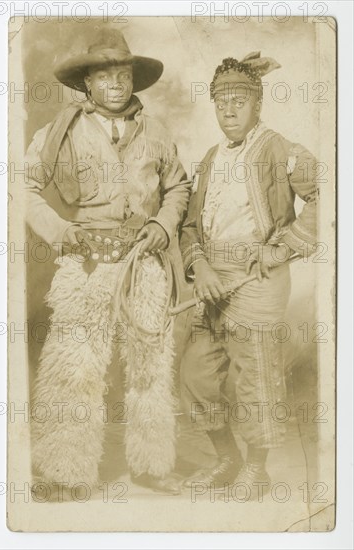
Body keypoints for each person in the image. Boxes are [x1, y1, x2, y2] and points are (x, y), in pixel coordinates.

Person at [26, 28, 191, 496]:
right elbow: (21, 187)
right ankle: (64, 473)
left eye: (123, 73)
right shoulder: (59, 132)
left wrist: (162, 224)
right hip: (86, 266)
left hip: (144, 264)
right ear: (87, 83)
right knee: (74, 368)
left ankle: (152, 465)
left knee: (151, 367)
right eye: (105, 75)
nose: (116, 83)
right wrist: (60, 231)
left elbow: (178, 186)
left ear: (133, 80)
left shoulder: (156, 132)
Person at [179, 52, 318, 492]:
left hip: (257, 279)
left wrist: (281, 250)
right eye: (222, 103)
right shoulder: (209, 157)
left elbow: (332, 194)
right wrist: (199, 267)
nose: (230, 110)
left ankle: (256, 469)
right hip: (212, 280)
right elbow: (188, 225)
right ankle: (226, 460)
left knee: (255, 376)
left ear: (258, 103)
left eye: (240, 100)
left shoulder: (279, 148)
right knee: (196, 374)